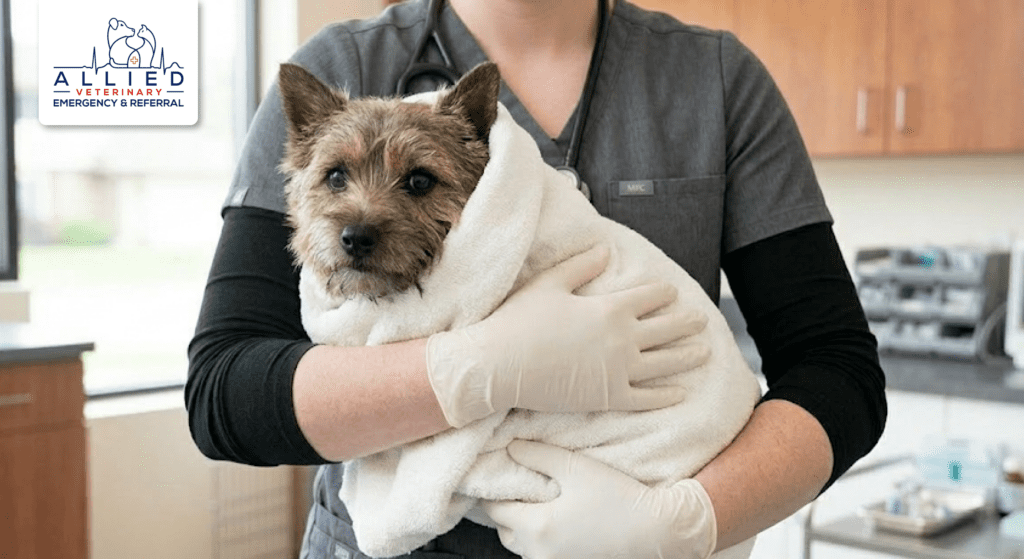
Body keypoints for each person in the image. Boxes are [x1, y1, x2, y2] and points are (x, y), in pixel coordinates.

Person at [186, 0, 887, 557]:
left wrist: (687, 520)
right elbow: (226, 391)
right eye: (340, 175)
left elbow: (838, 372)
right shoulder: (341, 66)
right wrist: (474, 369)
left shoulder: (714, 82)